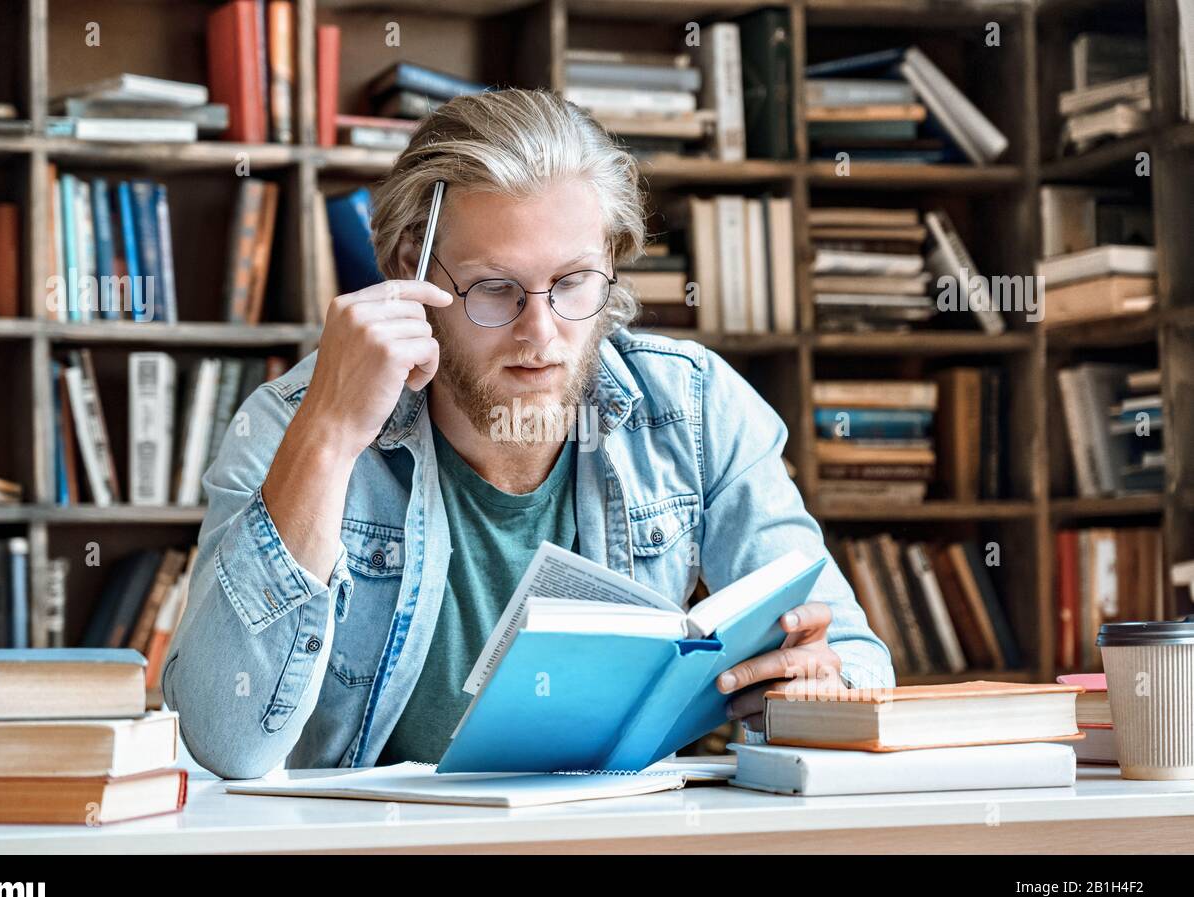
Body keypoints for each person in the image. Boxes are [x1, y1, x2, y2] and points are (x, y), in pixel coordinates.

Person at [162, 88, 894, 779]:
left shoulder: (694, 409)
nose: (540, 335)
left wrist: (817, 684)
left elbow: (858, 660)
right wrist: (326, 439)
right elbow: (221, 742)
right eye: (495, 289)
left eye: (574, 282)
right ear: (408, 271)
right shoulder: (293, 423)